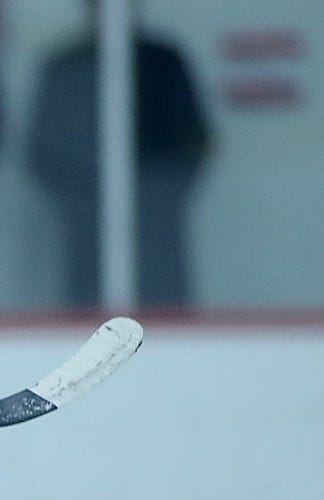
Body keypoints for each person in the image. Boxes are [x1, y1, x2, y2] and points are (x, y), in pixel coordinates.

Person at [26, 0, 211, 307]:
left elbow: (196, 142)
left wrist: (158, 194)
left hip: (157, 218)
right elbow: (42, 152)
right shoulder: (65, 67)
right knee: (91, 302)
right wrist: (83, 198)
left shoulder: (163, 62)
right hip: (87, 220)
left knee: (162, 299)